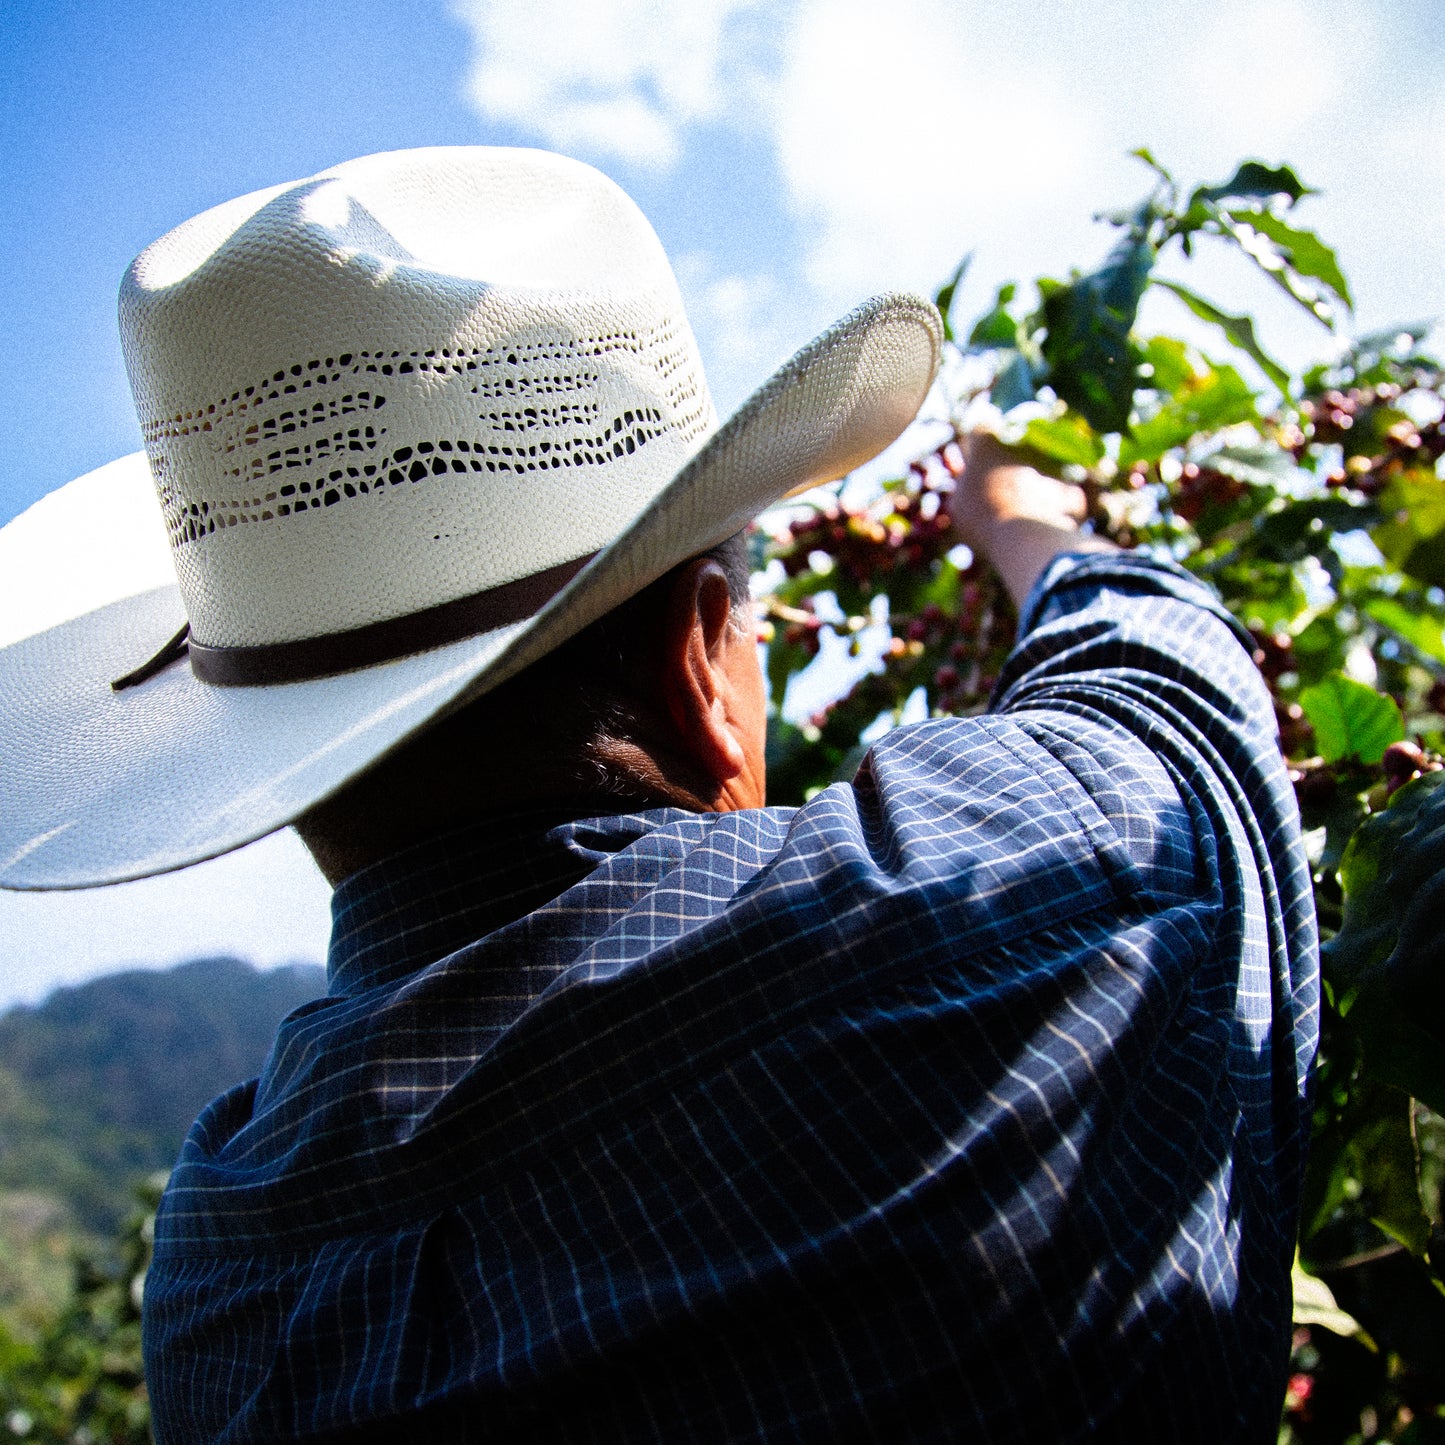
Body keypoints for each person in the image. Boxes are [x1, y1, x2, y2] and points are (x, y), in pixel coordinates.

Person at [0, 147, 1317, 1443]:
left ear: (285, 758)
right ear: (700, 660)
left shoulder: (221, 1281)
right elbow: (1177, 709)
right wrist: (1028, 519)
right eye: (751, 628)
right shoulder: (1007, 897)